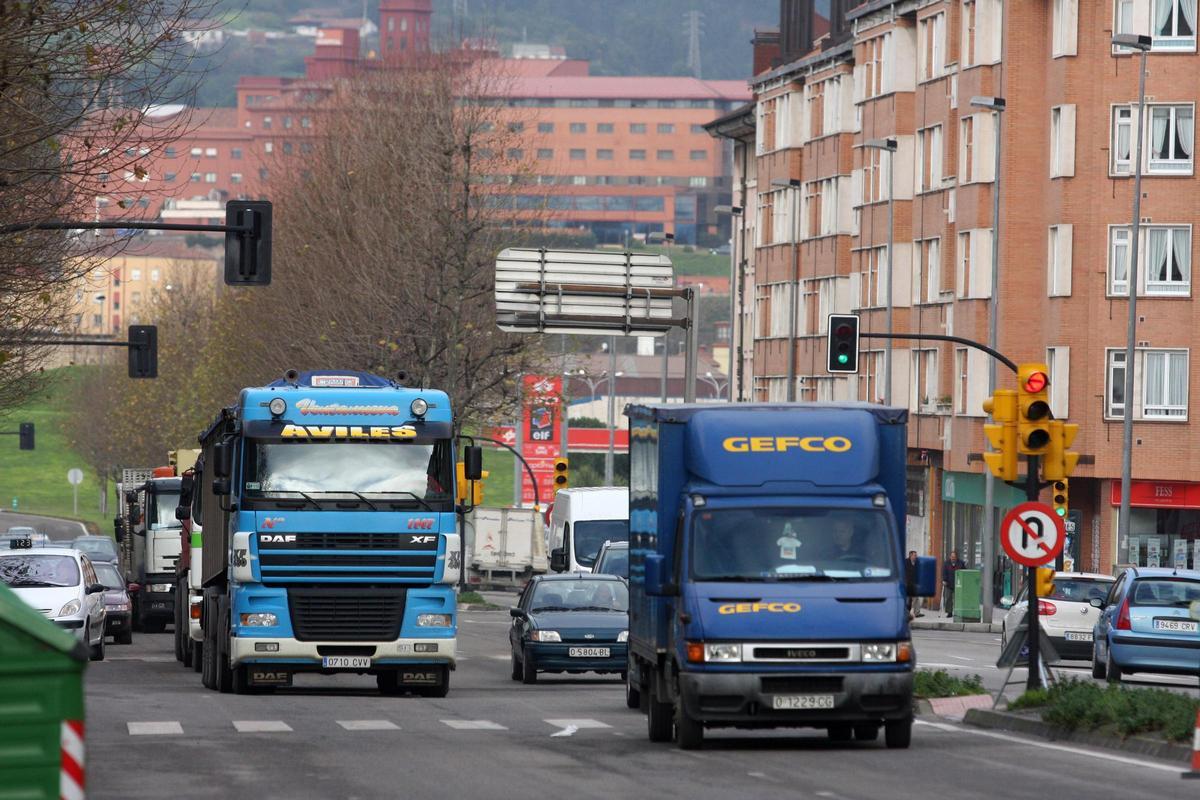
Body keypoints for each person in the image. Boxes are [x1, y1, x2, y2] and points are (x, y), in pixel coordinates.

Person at [942, 550, 966, 615]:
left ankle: (957, 612)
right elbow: (944, 572)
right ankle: (949, 612)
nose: (953, 558)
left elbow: (964, 571)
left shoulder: (961, 563)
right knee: (949, 598)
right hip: (949, 583)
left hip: (958, 583)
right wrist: (944, 580)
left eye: (954, 557)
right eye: (952, 557)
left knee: (957, 598)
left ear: (956, 557)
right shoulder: (946, 563)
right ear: (950, 557)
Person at [904, 550, 922, 618]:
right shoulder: (905, 562)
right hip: (907, 583)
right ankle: (907, 613)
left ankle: (917, 613)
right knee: (908, 599)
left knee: (916, 598)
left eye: (916, 555)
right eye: (914, 555)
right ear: (910, 555)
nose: (916, 557)